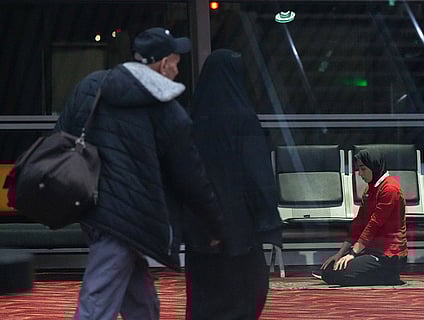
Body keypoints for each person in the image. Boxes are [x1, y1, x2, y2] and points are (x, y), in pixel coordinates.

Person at [55, 27, 224, 320]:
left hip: (90, 205)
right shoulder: (166, 109)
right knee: (98, 301)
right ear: (162, 64)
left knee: (140, 299)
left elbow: (61, 137)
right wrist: (215, 224)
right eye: (175, 61)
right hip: (129, 216)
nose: (177, 68)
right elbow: (190, 175)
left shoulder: (93, 86)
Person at [184, 49, 283, 320]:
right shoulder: (242, 118)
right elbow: (256, 174)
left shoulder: (191, 118)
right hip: (239, 228)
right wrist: (268, 221)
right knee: (246, 292)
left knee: (206, 296)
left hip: (201, 227)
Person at [312, 148, 408, 286]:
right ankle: (376, 274)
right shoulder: (370, 188)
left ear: (374, 166)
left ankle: (388, 276)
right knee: (329, 270)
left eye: (363, 169)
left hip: (388, 255)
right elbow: (359, 222)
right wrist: (340, 253)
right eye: (358, 169)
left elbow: (374, 224)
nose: (360, 174)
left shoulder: (390, 188)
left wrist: (353, 253)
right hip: (371, 250)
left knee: (340, 274)